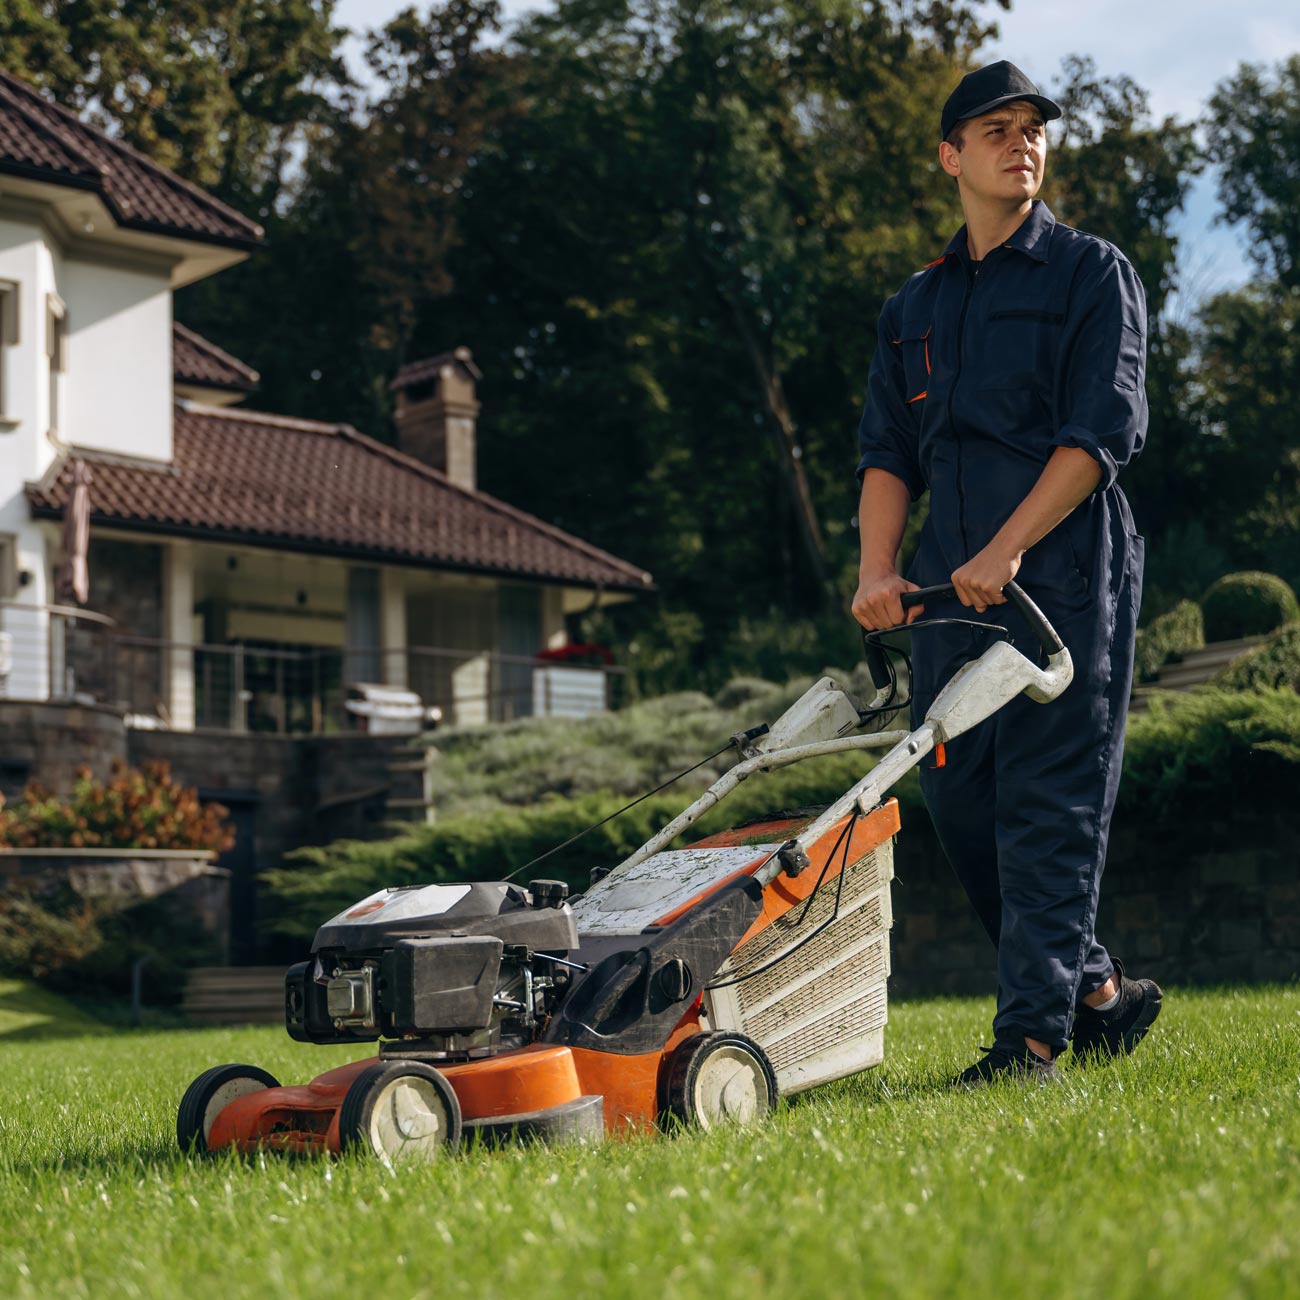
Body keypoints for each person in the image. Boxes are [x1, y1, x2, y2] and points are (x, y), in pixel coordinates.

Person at [851, 61, 1163, 1085]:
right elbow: (886, 453)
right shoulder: (914, 307)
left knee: (1048, 802)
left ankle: (1030, 1041)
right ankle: (1100, 992)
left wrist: (1011, 546)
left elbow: (1098, 434)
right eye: (994, 129)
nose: (1019, 142)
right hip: (950, 588)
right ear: (950, 156)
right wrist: (877, 569)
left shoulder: (1088, 272)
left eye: (1032, 128)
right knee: (963, 804)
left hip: (1062, 570)